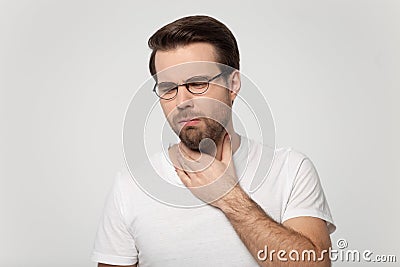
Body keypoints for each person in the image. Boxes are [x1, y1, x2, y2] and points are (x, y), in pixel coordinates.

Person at [91, 15, 335, 267]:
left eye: (197, 83)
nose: (181, 100)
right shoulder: (129, 187)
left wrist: (230, 197)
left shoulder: (290, 170)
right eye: (168, 88)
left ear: (233, 84)